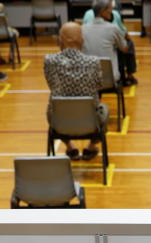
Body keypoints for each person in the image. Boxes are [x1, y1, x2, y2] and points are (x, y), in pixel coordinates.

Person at [43, 22, 108, 161]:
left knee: (54, 107)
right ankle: (90, 148)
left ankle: (70, 147)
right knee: (104, 110)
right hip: (91, 122)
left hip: (59, 122)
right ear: (81, 40)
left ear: (61, 40)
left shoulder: (49, 61)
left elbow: (51, 84)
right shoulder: (94, 62)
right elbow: (99, 85)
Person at [83, 0, 138, 85]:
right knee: (126, 45)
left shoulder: (82, 28)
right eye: (109, 9)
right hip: (109, 78)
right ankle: (129, 74)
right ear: (102, 11)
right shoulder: (113, 27)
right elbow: (124, 48)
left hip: (88, 76)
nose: (111, 11)